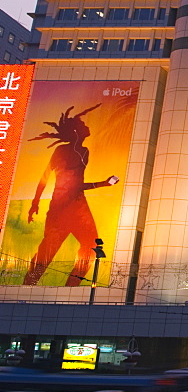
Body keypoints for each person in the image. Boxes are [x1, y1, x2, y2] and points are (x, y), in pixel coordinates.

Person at [23, 105, 119, 286]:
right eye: (82, 124)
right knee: (48, 251)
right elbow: (48, 179)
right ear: (75, 131)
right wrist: (35, 203)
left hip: (77, 204)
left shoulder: (84, 151)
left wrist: (103, 184)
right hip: (63, 205)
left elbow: (74, 185)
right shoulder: (62, 151)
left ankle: (71, 287)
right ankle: (28, 285)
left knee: (92, 247)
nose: (86, 127)